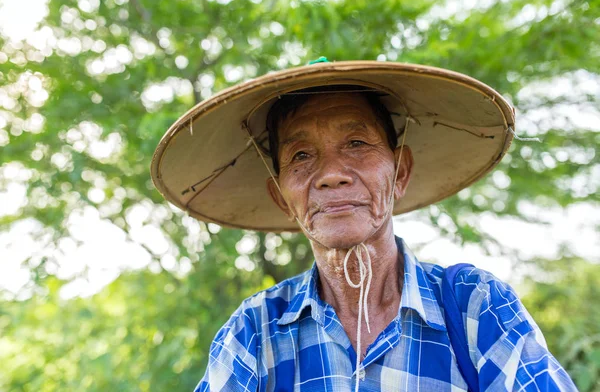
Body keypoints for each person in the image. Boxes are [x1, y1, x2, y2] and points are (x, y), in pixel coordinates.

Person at [151, 60, 576, 391]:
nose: (331, 173)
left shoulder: (474, 307)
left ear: (401, 173)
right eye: (301, 155)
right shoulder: (254, 333)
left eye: (356, 143)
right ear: (282, 197)